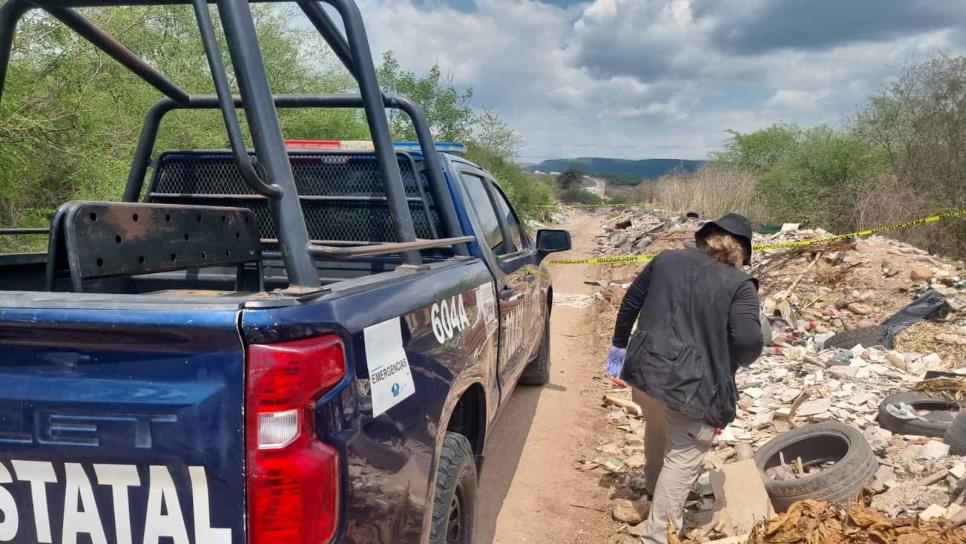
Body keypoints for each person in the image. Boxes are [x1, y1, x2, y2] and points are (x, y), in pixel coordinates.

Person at [605, 213, 764, 544]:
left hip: (645, 369)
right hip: (692, 384)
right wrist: (739, 361)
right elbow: (749, 341)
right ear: (742, 251)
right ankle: (658, 536)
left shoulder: (665, 261)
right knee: (684, 453)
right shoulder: (740, 284)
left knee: (657, 426)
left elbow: (630, 303)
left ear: (705, 237)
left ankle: (652, 490)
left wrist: (618, 350)